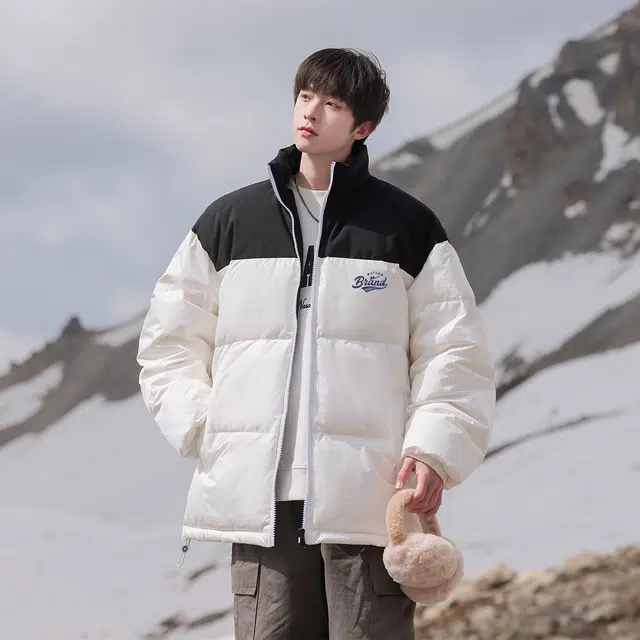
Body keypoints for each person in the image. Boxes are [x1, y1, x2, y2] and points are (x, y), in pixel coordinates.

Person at [137, 48, 495, 640]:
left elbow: (454, 352)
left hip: (368, 500)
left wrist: (434, 450)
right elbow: (167, 344)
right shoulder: (230, 221)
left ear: (362, 128)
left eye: (332, 104)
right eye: (305, 96)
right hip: (262, 508)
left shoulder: (405, 227)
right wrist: (210, 429)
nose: (311, 112)